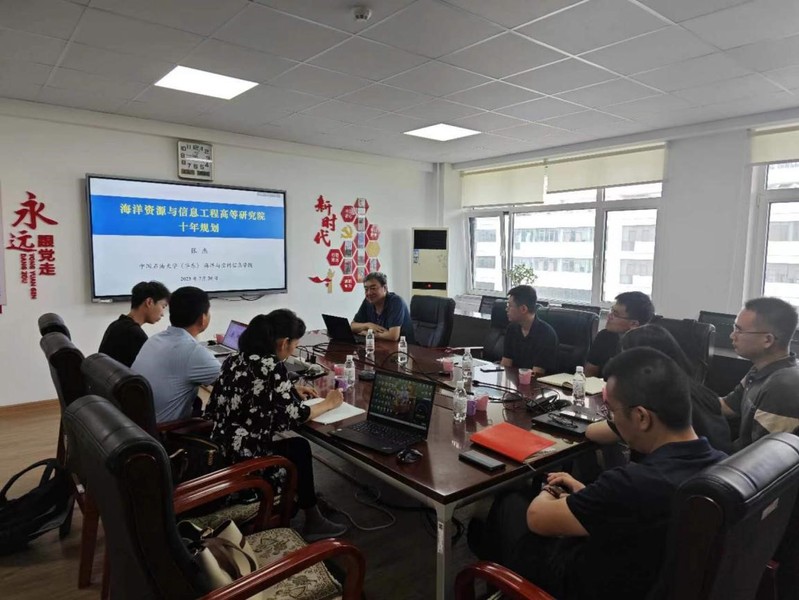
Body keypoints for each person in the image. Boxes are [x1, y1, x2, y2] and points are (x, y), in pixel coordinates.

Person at [469, 348, 726, 600]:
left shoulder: (633, 483)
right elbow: (633, 515)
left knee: (509, 501)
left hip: (578, 582)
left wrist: (549, 490)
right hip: (643, 575)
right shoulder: (722, 467)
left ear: (641, 417)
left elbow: (538, 518)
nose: (611, 420)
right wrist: (588, 495)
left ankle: (499, 581)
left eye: (611, 412)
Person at [204, 309, 347, 541]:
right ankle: (313, 518)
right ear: (283, 343)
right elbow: (296, 415)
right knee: (299, 448)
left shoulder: (235, 359)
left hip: (223, 453)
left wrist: (289, 390)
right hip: (246, 467)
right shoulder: (272, 367)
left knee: (297, 447)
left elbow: (248, 394)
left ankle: (309, 503)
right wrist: (329, 403)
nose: (293, 352)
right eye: (294, 346)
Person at [587, 324, 732, 453]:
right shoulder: (700, 391)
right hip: (720, 465)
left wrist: (618, 413)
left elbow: (594, 432)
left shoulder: (660, 399)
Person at [132, 286, 220, 423]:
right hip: (165, 430)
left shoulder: (155, 339)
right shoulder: (193, 352)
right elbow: (231, 379)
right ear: (202, 319)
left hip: (137, 424)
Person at [720, 297, 799, 449]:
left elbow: (765, 456)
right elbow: (728, 406)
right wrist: (683, 397)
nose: (732, 336)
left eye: (739, 330)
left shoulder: (782, 387)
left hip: (747, 461)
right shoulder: (760, 369)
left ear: (767, 340)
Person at [98, 281, 170, 367]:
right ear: (149, 302)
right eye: (163, 306)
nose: (162, 314)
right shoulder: (135, 334)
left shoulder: (115, 325)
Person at [584, 291, 655, 377]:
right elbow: (590, 371)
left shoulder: (647, 349)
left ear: (634, 324)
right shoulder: (604, 336)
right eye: (611, 311)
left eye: (615, 314)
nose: (609, 316)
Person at [501, 285, 558, 376]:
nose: (506, 309)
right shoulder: (512, 329)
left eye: (510, 306)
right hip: (514, 380)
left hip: (535, 383)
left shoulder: (546, 334)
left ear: (523, 309)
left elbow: (536, 374)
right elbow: (506, 364)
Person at [350, 272, 414, 343]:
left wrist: (369, 334)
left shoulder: (396, 301)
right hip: (380, 345)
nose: (369, 293)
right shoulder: (368, 301)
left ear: (385, 288)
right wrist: (368, 325)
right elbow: (352, 326)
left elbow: (393, 336)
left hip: (404, 347)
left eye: (373, 288)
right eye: (366, 289)